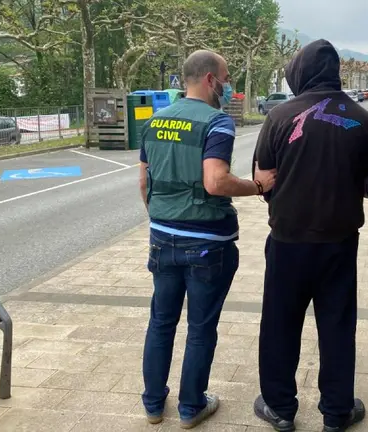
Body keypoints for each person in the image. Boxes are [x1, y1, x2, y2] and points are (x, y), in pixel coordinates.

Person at [138, 49, 276, 429]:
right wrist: (258, 186)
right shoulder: (217, 123)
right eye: (227, 79)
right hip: (207, 243)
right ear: (211, 79)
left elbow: (144, 182)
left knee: (161, 322)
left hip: (162, 237)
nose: (229, 87)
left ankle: (153, 405)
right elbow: (215, 181)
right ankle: (190, 407)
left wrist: (163, 221)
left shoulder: (154, 121)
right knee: (200, 328)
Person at [251, 39, 368, 432]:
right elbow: (365, 178)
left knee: (280, 323)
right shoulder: (361, 119)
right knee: (337, 326)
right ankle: (337, 412)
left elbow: (263, 179)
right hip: (339, 241)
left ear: (300, 72)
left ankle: (280, 408)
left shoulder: (279, 116)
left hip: (288, 240)